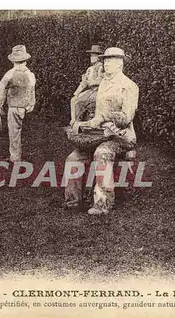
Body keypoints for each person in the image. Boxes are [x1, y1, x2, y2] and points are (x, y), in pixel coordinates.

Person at [64, 47, 139, 215]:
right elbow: (87, 100)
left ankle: (103, 203)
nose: (105, 63)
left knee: (101, 153)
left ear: (120, 64)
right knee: (73, 158)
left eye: (110, 60)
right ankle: (73, 200)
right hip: (98, 134)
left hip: (121, 137)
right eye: (105, 60)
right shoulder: (104, 82)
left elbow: (127, 117)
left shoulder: (129, 86)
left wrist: (104, 116)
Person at [0, 45, 36, 163]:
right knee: (20, 130)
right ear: (25, 60)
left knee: (14, 132)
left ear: (13, 61)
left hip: (14, 106)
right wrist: (31, 104)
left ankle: (15, 157)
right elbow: (31, 89)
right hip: (24, 106)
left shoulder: (10, 74)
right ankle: (17, 155)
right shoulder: (30, 74)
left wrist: (0, 103)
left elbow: (2, 89)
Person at [69, 45, 104, 125]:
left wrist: (91, 82)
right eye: (91, 56)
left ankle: (85, 122)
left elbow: (101, 80)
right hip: (91, 90)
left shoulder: (101, 67)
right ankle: (74, 120)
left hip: (98, 90)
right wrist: (76, 93)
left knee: (88, 100)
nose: (91, 58)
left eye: (93, 56)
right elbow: (83, 83)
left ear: (98, 57)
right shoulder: (89, 69)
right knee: (74, 100)